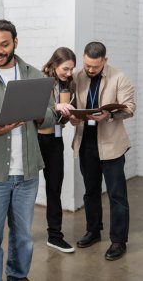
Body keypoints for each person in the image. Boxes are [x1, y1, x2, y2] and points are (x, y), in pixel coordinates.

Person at [0, 19, 55, 281]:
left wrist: (39, 115)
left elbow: (50, 117)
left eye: (4, 44)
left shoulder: (35, 75)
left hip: (27, 173)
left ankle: (17, 276)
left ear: (15, 42)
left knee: (23, 236)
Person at [70, 41, 135, 261]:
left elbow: (130, 108)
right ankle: (93, 230)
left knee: (117, 195)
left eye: (95, 67)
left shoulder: (119, 78)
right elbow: (71, 102)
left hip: (112, 145)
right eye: (87, 65)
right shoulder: (78, 76)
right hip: (86, 142)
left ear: (105, 61)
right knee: (90, 191)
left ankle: (118, 241)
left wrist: (109, 115)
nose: (89, 70)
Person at [38, 47, 76, 253]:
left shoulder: (66, 85)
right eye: (65, 69)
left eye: (71, 69)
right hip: (35, 139)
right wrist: (55, 109)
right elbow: (33, 111)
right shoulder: (39, 81)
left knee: (54, 188)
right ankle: (19, 233)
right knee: (25, 189)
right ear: (54, 64)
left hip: (55, 140)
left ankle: (55, 235)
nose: (69, 73)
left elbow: (64, 119)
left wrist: (71, 117)